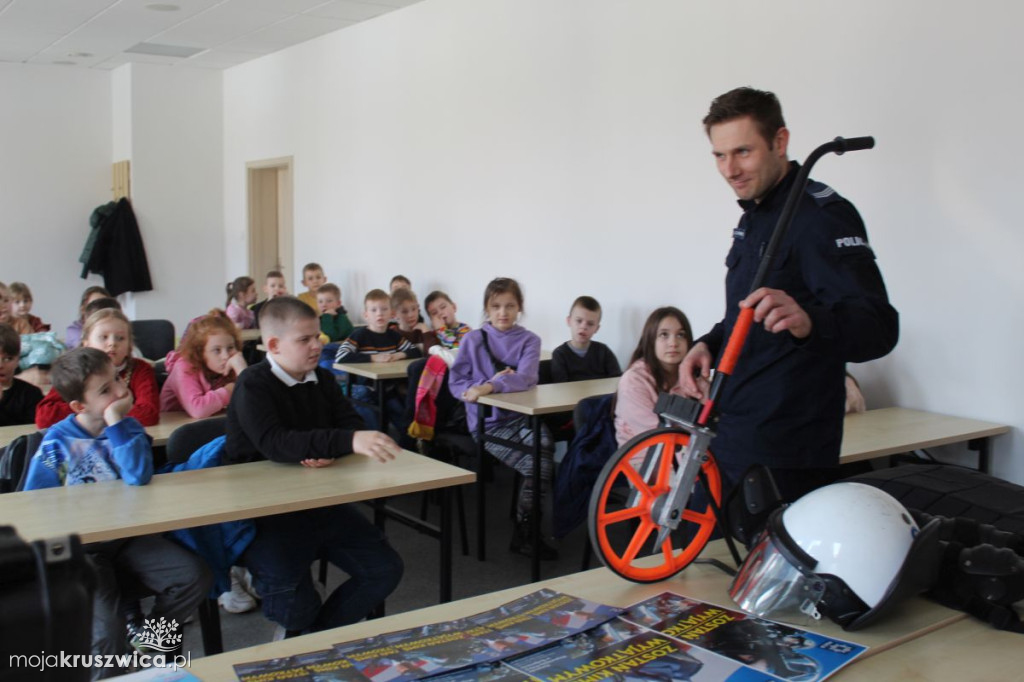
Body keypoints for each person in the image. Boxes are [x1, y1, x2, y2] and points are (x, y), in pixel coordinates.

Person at [679, 87, 898, 501]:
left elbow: (879, 328)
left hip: (788, 451)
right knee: (707, 561)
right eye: (719, 156)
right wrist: (708, 344)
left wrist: (811, 322)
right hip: (732, 431)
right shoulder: (756, 215)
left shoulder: (821, 218)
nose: (730, 169)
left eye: (742, 151)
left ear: (780, 142)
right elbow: (746, 314)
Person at [23, 348, 211, 676]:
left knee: (193, 577)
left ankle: (146, 642)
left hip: (128, 538)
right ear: (79, 406)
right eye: (105, 391)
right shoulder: (57, 443)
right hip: (83, 549)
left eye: (117, 381)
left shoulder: (129, 429)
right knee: (105, 633)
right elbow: (33, 500)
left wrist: (115, 423)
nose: (121, 392)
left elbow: (138, 475)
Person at [225, 296, 404, 638]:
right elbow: (277, 444)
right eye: (304, 339)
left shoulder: (320, 379)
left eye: (317, 337)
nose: (316, 346)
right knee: (297, 604)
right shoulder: (253, 384)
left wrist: (333, 447)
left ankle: (311, 640)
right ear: (274, 345)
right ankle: (303, 633)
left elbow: (351, 423)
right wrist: (340, 442)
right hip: (264, 513)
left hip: (319, 501)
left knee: (384, 569)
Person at [448, 277, 557, 559]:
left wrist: (489, 385)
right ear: (487, 308)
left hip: (522, 419)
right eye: (495, 306)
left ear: (520, 307)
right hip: (487, 423)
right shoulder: (473, 340)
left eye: (510, 305)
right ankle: (527, 530)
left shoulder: (530, 340)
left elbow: (527, 377)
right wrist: (476, 391)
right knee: (538, 464)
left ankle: (525, 526)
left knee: (545, 448)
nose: (503, 312)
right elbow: (457, 382)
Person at [36, 309, 160, 428]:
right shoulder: (75, 371)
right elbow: (45, 416)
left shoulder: (141, 369)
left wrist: (111, 412)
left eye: (120, 338)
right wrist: (97, 409)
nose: (112, 343)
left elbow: (149, 414)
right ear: (86, 343)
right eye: (103, 337)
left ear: (129, 345)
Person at [335, 289, 421, 431]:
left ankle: (409, 444)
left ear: (391, 314)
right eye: (374, 310)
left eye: (384, 309)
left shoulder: (393, 335)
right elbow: (341, 356)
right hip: (365, 387)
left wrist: (398, 355)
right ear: (366, 315)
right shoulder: (359, 335)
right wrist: (374, 358)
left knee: (402, 414)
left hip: (388, 387)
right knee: (374, 415)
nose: (379, 314)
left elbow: (415, 351)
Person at [614, 307, 693, 447]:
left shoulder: (691, 375)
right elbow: (657, 438)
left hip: (687, 458)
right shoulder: (633, 381)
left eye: (681, 335)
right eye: (664, 335)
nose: (673, 343)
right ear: (651, 340)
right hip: (644, 462)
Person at [160, 311, 247, 418]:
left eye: (230, 348)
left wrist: (242, 371)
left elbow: (256, 402)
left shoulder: (232, 364)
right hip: (172, 429)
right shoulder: (184, 366)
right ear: (199, 352)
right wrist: (230, 390)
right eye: (217, 350)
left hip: (210, 422)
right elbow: (198, 410)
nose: (226, 356)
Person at [551, 296, 621, 383]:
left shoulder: (604, 351)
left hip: (602, 396)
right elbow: (560, 387)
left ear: (597, 328)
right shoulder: (560, 354)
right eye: (579, 321)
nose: (583, 327)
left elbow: (617, 381)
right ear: (569, 321)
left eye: (590, 324)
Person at [0, 323, 43, 426]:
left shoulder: (31, 394)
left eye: (8, 359)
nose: (0, 365)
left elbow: (29, 433)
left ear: (17, 360)